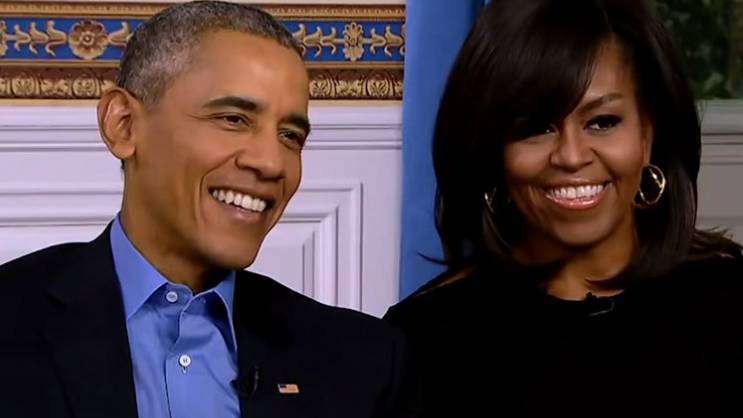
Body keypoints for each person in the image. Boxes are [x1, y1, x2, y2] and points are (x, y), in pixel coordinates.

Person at [0, 2, 418, 417]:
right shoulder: (11, 321)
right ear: (123, 124)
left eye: (290, 135)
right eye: (234, 119)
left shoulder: (364, 361)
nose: (272, 163)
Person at [385, 0, 743, 416]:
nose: (572, 156)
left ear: (647, 136)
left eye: (603, 122)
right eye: (536, 128)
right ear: (491, 150)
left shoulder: (728, 303)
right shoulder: (424, 339)